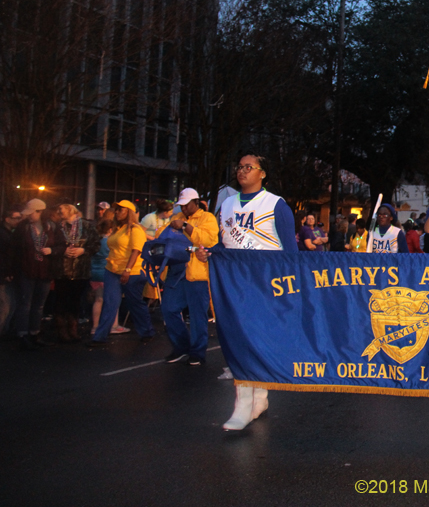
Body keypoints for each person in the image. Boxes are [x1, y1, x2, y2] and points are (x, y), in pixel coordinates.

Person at [199, 153, 298, 431]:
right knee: (238, 339)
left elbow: (290, 251)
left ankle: (259, 397)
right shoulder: (227, 204)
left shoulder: (276, 205)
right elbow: (225, 242)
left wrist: (290, 288)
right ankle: (245, 401)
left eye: (248, 167)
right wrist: (210, 253)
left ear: (263, 173)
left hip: (266, 283)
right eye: (239, 166)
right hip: (235, 281)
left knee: (258, 340)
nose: (242, 171)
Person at [158, 188, 219, 366]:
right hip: (177, 272)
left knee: (197, 315)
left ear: (196, 202)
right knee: (168, 308)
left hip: (198, 273)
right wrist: (172, 226)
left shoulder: (207, 218)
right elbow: (161, 236)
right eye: (181, 206)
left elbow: (208, 241)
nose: (184, 209)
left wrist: (186, 227)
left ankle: (197, 352)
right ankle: (181, 346)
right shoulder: (178, 219)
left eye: (186, 205)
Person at [90, 200, 155, 346]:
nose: (117, 212)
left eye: (121, 209)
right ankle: (99, 337)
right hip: (112, 269)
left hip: (131, 271)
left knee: (134, 302)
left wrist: (127, 269)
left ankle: (147, 331)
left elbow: (136, 250)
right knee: (110, 303)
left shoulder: (136, 230)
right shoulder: (118, 229)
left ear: (129, 212)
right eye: (117, 209)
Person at [13, 198, 65, 349]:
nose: (29, 216)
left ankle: (35, 333)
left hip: (45, 270)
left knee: (39, 305)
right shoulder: (23, 228)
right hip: (27, 269)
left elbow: (62, 246)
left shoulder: (51, 227)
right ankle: (22, 334)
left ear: (40, 212)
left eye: (32, 213)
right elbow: (15, 249)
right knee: (25, 304)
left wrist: (52, 251)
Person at [54, 204, 100, 343]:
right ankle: (62, 330)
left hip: (81, 270)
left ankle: (73, 329)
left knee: (75, 301)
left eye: (62, 209)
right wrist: (62, 250)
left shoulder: (86, 226)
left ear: (70, 210)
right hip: (61, 270)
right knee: (61, 301)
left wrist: (84, 250)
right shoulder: (58, 227)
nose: (59, 211)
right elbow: (51, 244)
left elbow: (96, 244)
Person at [89, 219, 129, 336]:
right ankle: (114, 325)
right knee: (113, 300)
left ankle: (95, 327)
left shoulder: (96, 241)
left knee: (98, 300)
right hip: (107, 272)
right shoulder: (110, 242)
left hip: (95, 273)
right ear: (111, 229)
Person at [0, 204, 23, 336]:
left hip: (5, 273)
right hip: (4, 274)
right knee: (6, 304)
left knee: (9, 304)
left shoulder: (8, 234)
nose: (18, 220)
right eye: (16, 218)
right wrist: (6, 272)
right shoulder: (4, 235)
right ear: (7, 219)